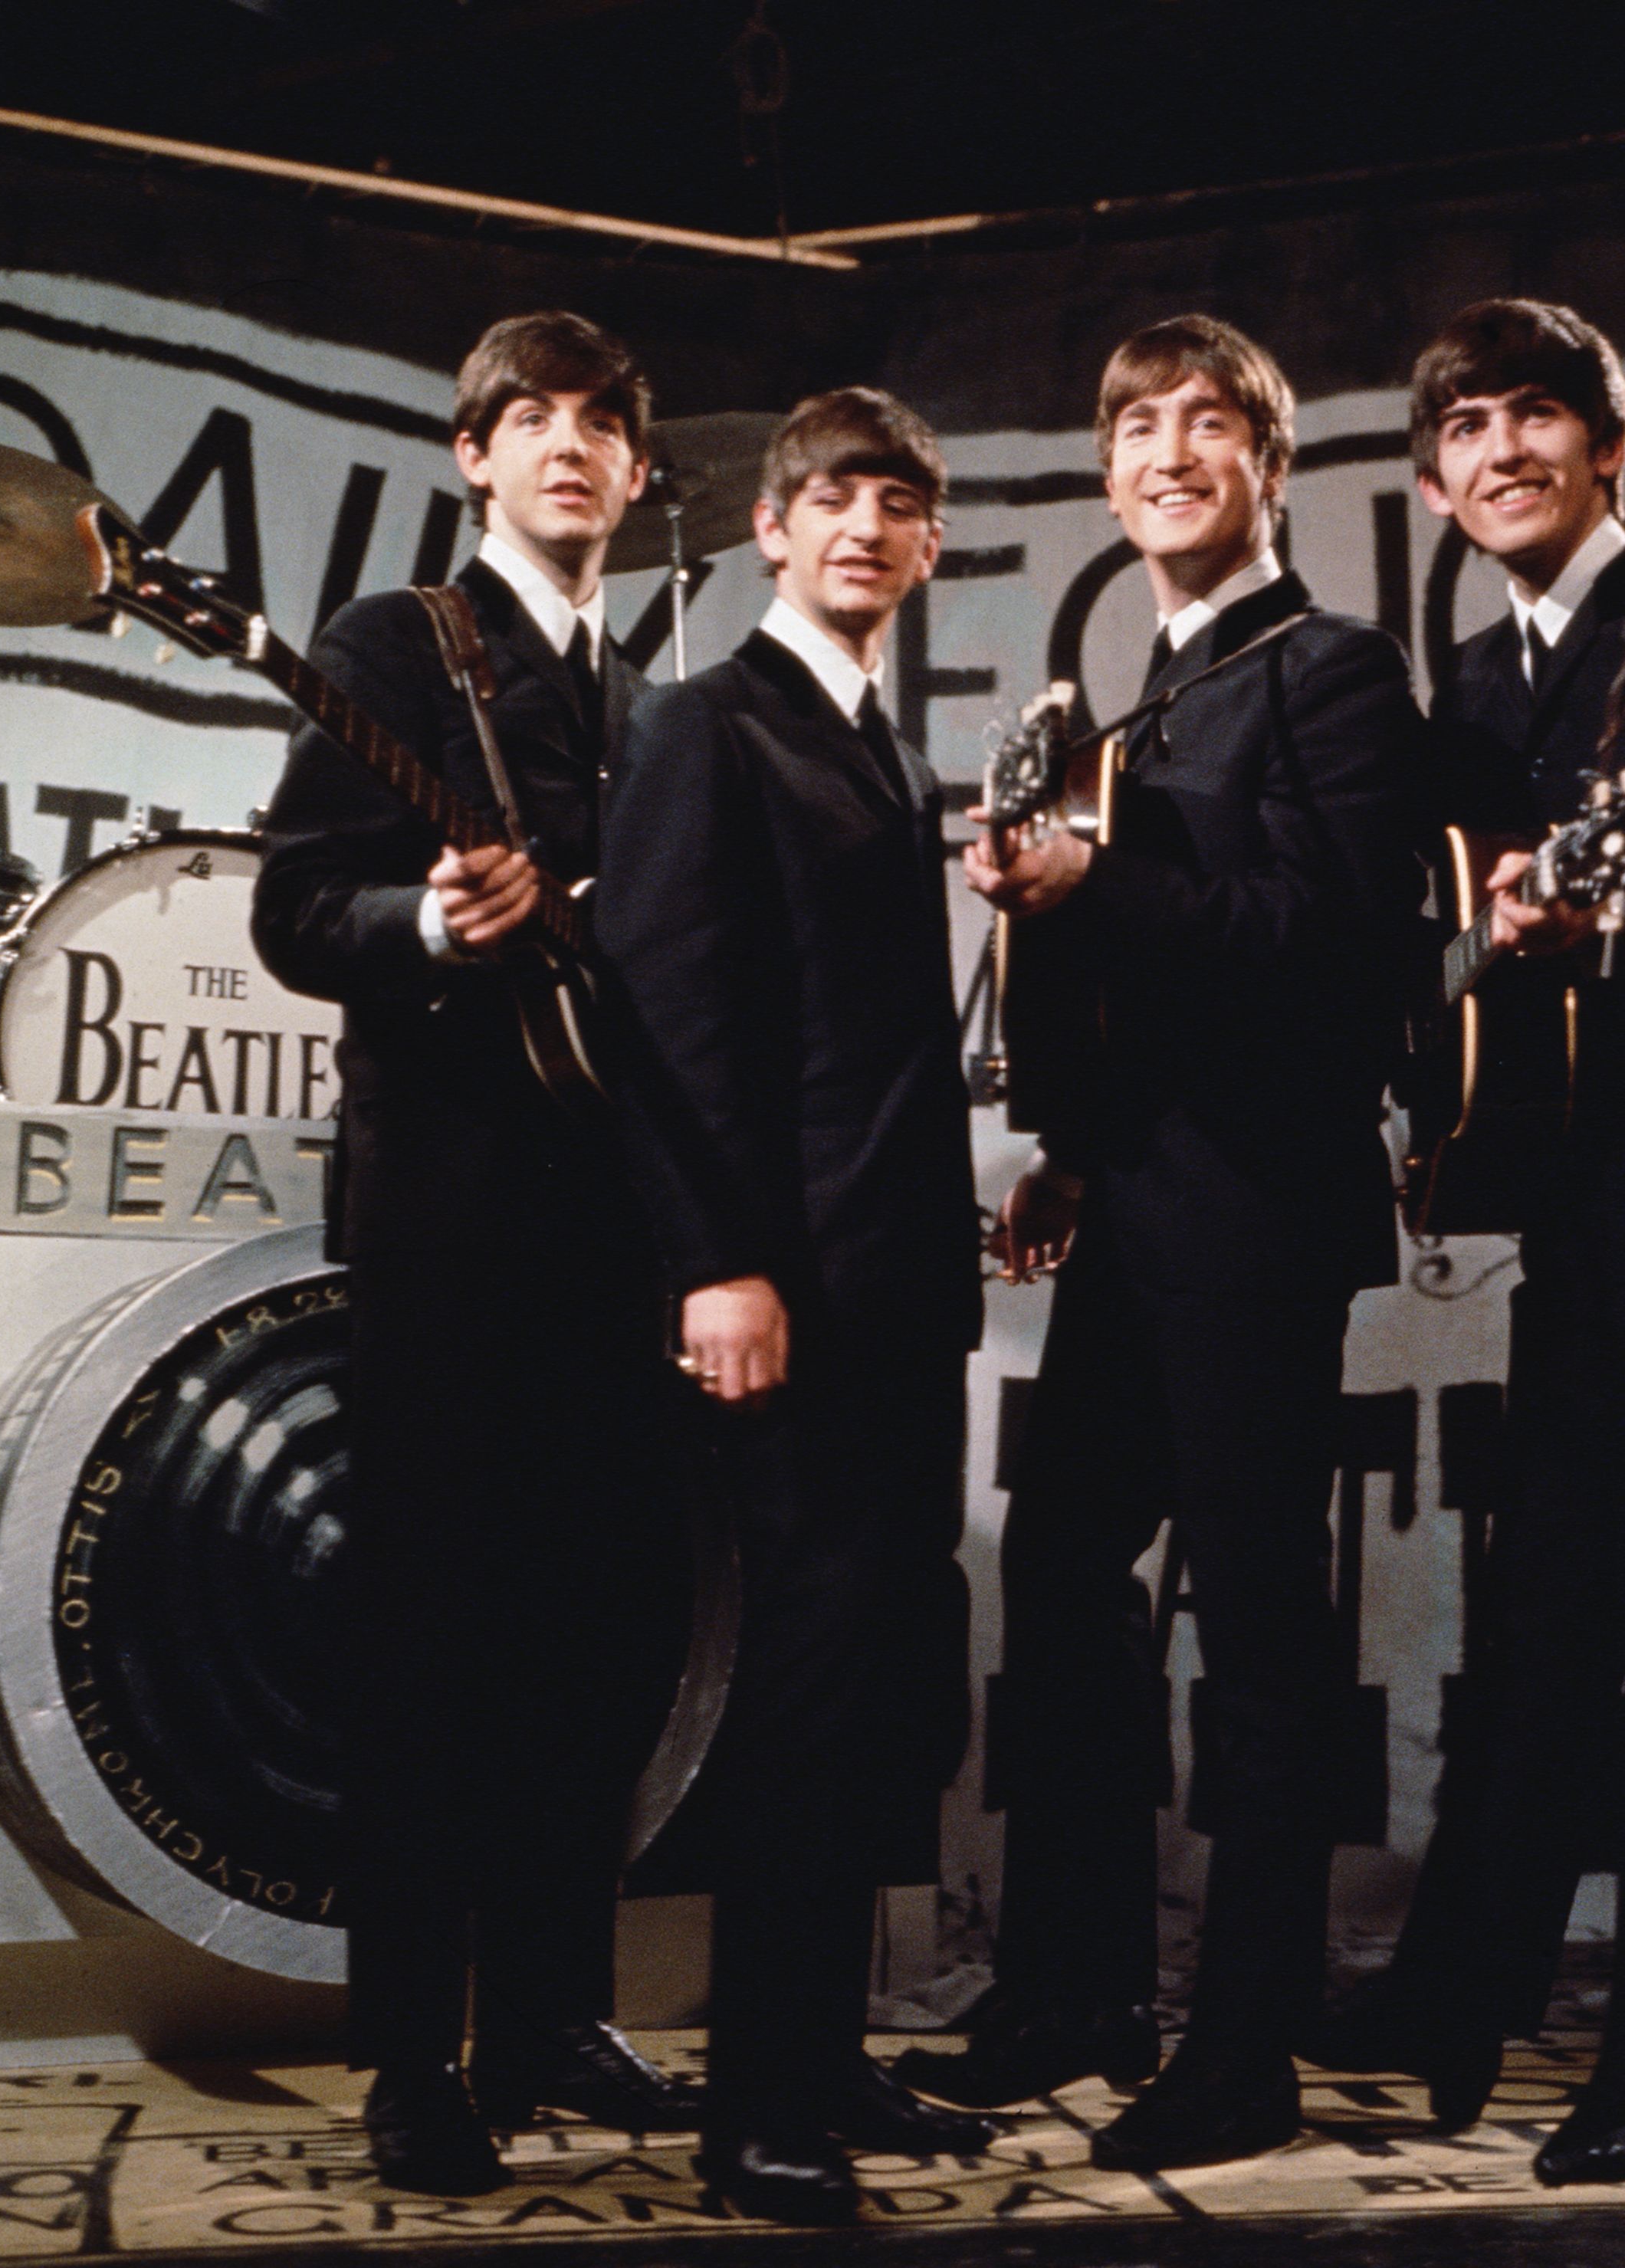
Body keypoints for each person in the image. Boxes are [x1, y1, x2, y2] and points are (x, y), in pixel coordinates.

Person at [1305, 297, 1625, 2186]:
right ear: (1434, 481)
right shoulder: (1483, 678)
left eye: (1540, 415)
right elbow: (1443, 947)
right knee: (1542, 1605)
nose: (1503, 448)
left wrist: (1622, 911)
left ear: (1608, 448)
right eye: (1467, 427)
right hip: (1569, 1193)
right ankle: (1466, 1982)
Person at [912, 315, 1424, 2172]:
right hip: (1132, 1206)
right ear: (1109, 473)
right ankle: (1071, 1990)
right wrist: (1057, 1141)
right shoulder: (1137, 708)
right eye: (1137, 425)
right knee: (1055, 1585)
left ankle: (1247, 2045)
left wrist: (1091, 877)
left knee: (1260, 1640)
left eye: (1211, 424)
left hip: (1260, 1216)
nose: (1168, 450)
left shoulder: (1336, 673)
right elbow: (1126, 972)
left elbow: (1347, 943)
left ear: (1268, 469)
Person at [252, 310, 698, 2194]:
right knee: (432, 1643)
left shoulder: (652, 694)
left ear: (640, 469)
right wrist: (425, 920)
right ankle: (412, 2059)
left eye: (604, 423)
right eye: (535, 420)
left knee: (602, 1638)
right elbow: (292, 908)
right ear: (474, 455)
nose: (572, 447)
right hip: (451, 1224)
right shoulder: (392, 650)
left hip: (619, 1223)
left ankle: (546, 2010)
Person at [595, 389, 998, 2226]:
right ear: (769, 529)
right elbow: (664, 1026)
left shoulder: (888, 754)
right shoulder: (706, 723)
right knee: (803, 1696)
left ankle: (824, 2051)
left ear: (926, 548)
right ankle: (757, 2106)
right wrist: (712, 1259)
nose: (862, 525)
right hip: (784, 1294)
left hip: (904, 1299)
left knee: (885, 1687)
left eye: (896, 503)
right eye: (830, 496)